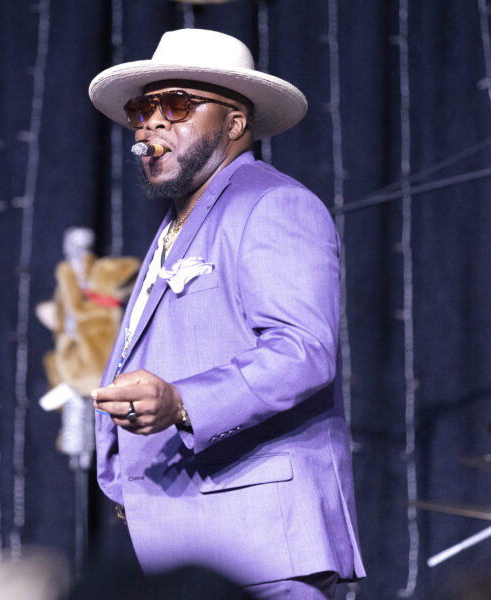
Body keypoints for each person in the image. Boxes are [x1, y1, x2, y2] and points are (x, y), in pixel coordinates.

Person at [87, 28, 365, 599]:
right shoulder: (180, 224)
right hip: (194, 548)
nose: (152, 124)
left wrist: (182, 401)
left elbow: (303, 351)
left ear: (235, 123)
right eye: (142, 110)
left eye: (176, 105)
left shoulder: (273, 203)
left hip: (262, 548)